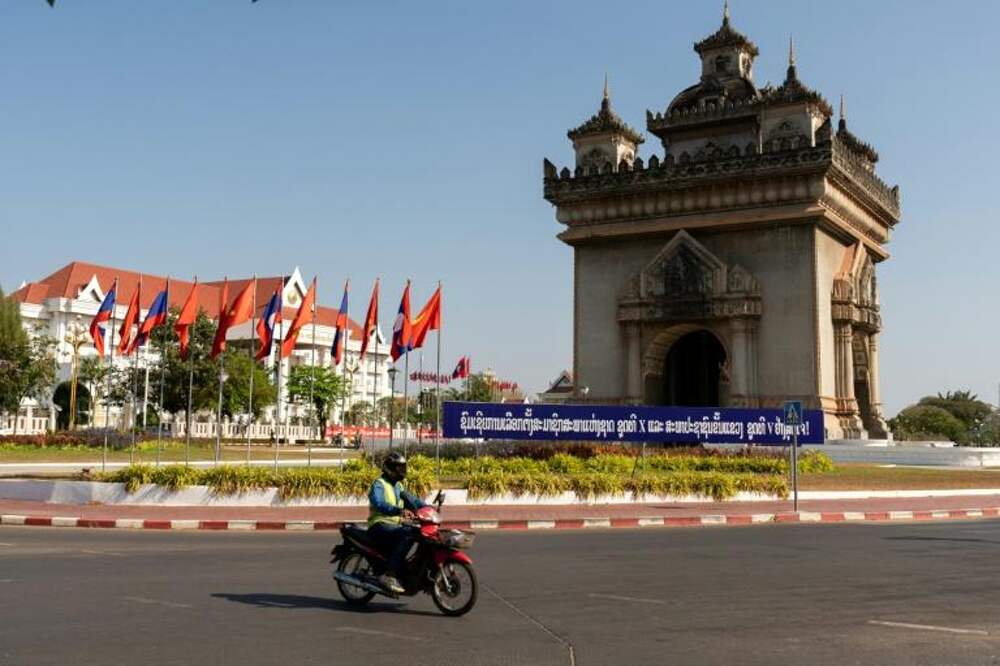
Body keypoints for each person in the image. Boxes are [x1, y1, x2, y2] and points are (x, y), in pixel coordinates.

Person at [367, 452, 426, 594]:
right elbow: (379, 503)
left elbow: (413, 500)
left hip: (395, 525)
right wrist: (399, 511)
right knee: (408, 534)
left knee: (419, 532)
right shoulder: (379, 484)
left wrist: (427, 508)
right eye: (398, 468)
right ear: (389, 468)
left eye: (403, 467)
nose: (401, 471)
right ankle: (390, 574)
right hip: (379, 524)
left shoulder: (398, 486)